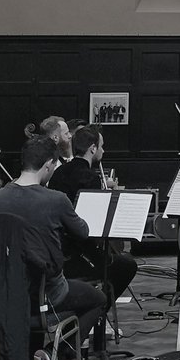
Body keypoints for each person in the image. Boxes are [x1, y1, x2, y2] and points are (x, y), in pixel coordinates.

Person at [0, 135, 107, 355]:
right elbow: (83, 232)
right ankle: (55, 356)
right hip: (47, 296)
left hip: (6, 295)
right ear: (49, 164)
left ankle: (33, 357)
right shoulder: (56, 199)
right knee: (98, 299)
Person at [48, 125, 137, 304]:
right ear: (93, 148)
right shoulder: (89, 177)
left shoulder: (59, 172)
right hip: (77, 255)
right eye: (101, 146)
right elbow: (89, 227)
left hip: (56, 251)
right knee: (126, 265)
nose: (103, 150)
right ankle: (99, 309)